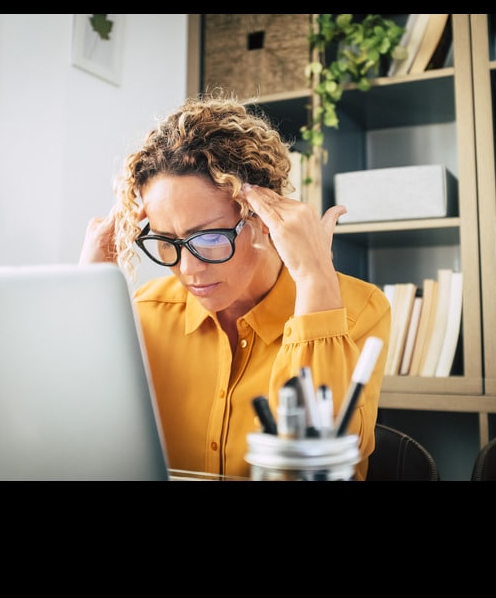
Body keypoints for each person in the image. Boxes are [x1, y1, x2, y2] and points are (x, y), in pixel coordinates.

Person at [79, 91, 391, 480]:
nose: (188, 268)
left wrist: (314, 278)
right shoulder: (145, 313)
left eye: (209, 239)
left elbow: (312, 467)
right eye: (166, 242)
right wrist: (88, 293)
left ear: (261, 217)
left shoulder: (358, 310)